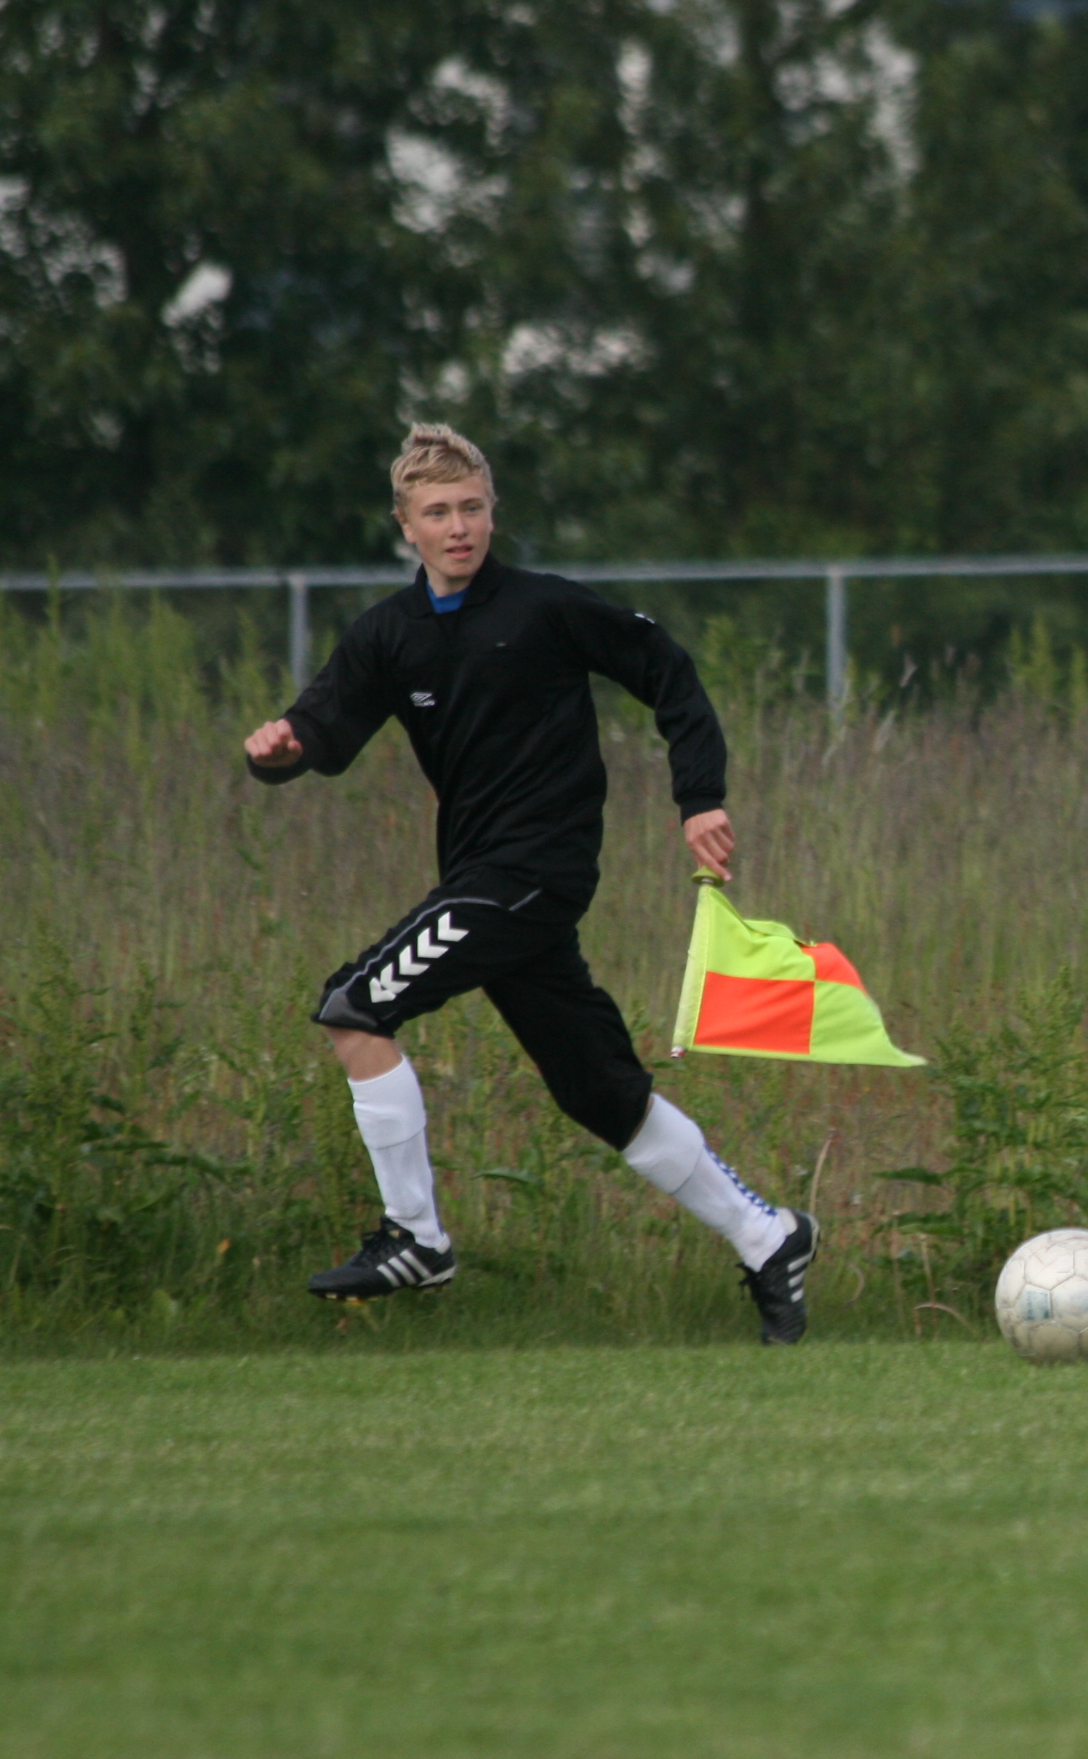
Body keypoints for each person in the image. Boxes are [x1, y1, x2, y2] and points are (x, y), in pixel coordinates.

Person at [241, 424, 817, 1343]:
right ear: (406, 526)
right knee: (600, 1093)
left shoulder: (545, 609)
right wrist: (279, 749)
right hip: (483, 879)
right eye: (438, 513)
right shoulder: (388, 634)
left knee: (356, 1007)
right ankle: (768, 1235)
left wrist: (699, 797)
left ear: (492, 513)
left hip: (534, 871)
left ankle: (416, 1238)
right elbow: (321, 729)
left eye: (472, 508)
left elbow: (667, 671)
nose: (459, 527)